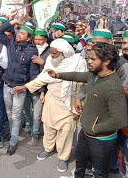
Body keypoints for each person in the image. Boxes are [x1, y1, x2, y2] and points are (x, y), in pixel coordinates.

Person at [46, 42, 127, 178]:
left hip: (101, 140)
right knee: (80, 166)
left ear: (106, 61)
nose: (88, 61)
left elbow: (120, 120)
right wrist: (57, 75)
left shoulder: (113, 87)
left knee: (99, 173)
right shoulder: (94, 75)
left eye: (93, 59)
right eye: (89, 58)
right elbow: (78, 76)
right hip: (86, 134)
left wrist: (94, 128)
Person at [24, 38, 87, 172]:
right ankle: (48, 149)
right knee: (48, 127)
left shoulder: (78, 62)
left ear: (64, 53)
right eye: (51, 53)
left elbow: (82, 85)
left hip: (69, 103)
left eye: (54, 53)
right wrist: (25, 87)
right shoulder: (50, 61)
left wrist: (78, 108)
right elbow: (43, 78)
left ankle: (63, 157)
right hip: (51, 100)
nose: (51, 56)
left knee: (66, 132)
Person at [0, 18, 42, 155]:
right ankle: (13, 133)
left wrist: (38, 90)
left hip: (19, 89)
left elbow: (33, 72)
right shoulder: (10, 43)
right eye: (19, 32)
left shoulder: (32, 51)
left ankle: (13, 142)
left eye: (22, 33)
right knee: (9, 113)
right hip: (7, 85)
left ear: (28, 39)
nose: (18, 34)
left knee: (16, 115)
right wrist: (12, 21)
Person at [24, 28, 50, 146]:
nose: (38, 42)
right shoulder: (29, 48)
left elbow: (53, 70)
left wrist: (43, 62)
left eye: (41, 39)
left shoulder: (50, 51)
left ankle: (35, 134)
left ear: (45, 39)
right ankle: (29, 125)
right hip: (27, 85)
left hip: (41, 88)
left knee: (37, 114)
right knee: (26, 109)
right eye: (36, 39)